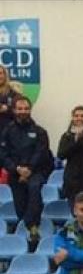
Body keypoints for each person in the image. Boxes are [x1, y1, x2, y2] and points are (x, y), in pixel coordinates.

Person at [0, 96, 53, 242]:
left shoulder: (40, 132)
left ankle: (33, 227)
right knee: (20, 207)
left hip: (36, 172)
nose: (23, 111)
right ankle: (31, 235)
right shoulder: (7, 131)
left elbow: (41, 153)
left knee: (34, 188)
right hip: (15, 174)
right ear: (14, 110)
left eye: (26, 108)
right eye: (20, 109)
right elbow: (3, 154)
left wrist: (28, 169)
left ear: (30, 110)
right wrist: (17, 169)